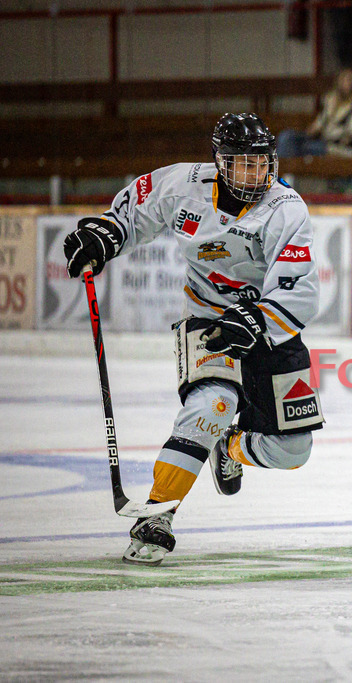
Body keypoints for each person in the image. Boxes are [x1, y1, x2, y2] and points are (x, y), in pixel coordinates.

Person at [63, 113, 324, 566]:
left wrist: (257, 318)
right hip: (208, 317)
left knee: (292, 450)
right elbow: (134, 212)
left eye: (262, 164)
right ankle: (157, 515)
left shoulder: (286, 208)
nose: (255, 174)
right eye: (244, 164)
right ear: (220, 162)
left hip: (267, 324)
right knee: (211, 406)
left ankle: (231, 447)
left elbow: (299, 288)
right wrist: (107, 234)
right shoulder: (182, 185)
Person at [277, 67, 352, 158]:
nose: (348, 83)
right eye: (344, 79)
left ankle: (289, 165)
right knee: (286, 136)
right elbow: (321, 121)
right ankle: (281, 165)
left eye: (350, 80)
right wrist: (311, 130)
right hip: (319, 138)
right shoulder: (331, 99)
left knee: (305, 147)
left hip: (334, 142)